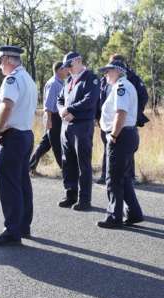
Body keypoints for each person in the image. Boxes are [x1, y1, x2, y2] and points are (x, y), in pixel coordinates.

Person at [0, 45, 37, 246]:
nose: (0, 65)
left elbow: (8, 105)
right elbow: (15, 108)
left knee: (10, 185)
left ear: (8, 59)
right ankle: (23, 225)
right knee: (22, 182)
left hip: (12, 138)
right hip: (25, 135)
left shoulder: (12, 79)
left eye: (0, 61)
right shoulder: (27, 79)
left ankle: (12, 230)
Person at [97, 60, 143, 228]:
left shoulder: (121, 87)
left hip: (121, 136)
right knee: (122, 177)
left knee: (113, 179)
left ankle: (114, 217)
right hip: (127, 135)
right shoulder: (124, 86)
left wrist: (114, 135)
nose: (106, 74)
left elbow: (121, 113)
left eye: (108, 71)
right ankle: (133, 213)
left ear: (118, 71)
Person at [96, 54, 149, 185]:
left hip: (122, 124)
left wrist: (134, 113)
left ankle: (128, 176)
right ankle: (106, 174)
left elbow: (142, 97)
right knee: (108, 150)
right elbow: (99, 98)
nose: (107, 72)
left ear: (120, 67)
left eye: (111, 66)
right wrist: (98, 116)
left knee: (123, 154)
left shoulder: (129, 81)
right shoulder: (106, 80)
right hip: (109, 123)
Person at [57, 52, 99, 211]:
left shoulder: (91, 78)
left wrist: (70, 109)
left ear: (79, 61)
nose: (67, 69)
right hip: (66, 125)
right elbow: (60, 99)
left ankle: (84, 199)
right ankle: (70, 194)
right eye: (66, 67)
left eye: (69, 65)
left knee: (83, 164)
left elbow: (90, 100)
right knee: (67, 161)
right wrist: (62, 110)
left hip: (82, 126)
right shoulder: (68, 80)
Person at [29, 61, 67, 173]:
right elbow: (49, 104)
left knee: (45, 144)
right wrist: (49, 120)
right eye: (65, 69)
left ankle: (29, 166)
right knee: (57, 144)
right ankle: (65, 170)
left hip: (56, 117)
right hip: (53, 117)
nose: (67, 71)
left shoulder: (60, 83)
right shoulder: (53, 83)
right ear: (59, 70)